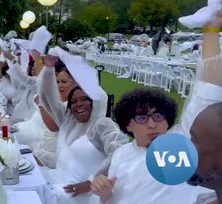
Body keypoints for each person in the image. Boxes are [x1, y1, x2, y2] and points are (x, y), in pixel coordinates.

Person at [91, 14, 222, 204]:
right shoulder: (122, 155)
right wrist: (104, 193)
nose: (152, 124)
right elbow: (114, 199)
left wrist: (210, 30)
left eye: (158, 116)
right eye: (143, 118)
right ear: (128, 125)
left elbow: (208, 91)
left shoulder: (179, 145)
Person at [37, 48, 129, 204]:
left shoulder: (102, 125)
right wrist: (48, 68)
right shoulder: (69, 120)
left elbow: (121, 153)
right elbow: (47, 98)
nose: (79, 104)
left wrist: (92, 181)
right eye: (74, 101)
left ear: (95, 101)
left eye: (85, 99)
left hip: (83, 197)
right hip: (57, 184)